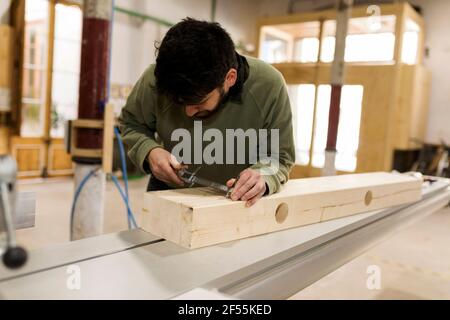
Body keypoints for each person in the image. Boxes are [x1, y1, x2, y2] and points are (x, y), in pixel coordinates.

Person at [118, 18, 295, 207]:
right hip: (168, 196)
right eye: (178, 102)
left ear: (230, 78)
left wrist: (263, 175)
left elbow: (279, 157)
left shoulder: (269, 86)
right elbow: (131, 124)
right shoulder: (155, 79)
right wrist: (149, 151)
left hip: (235, 203)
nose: (188, 113)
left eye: (198, 102)